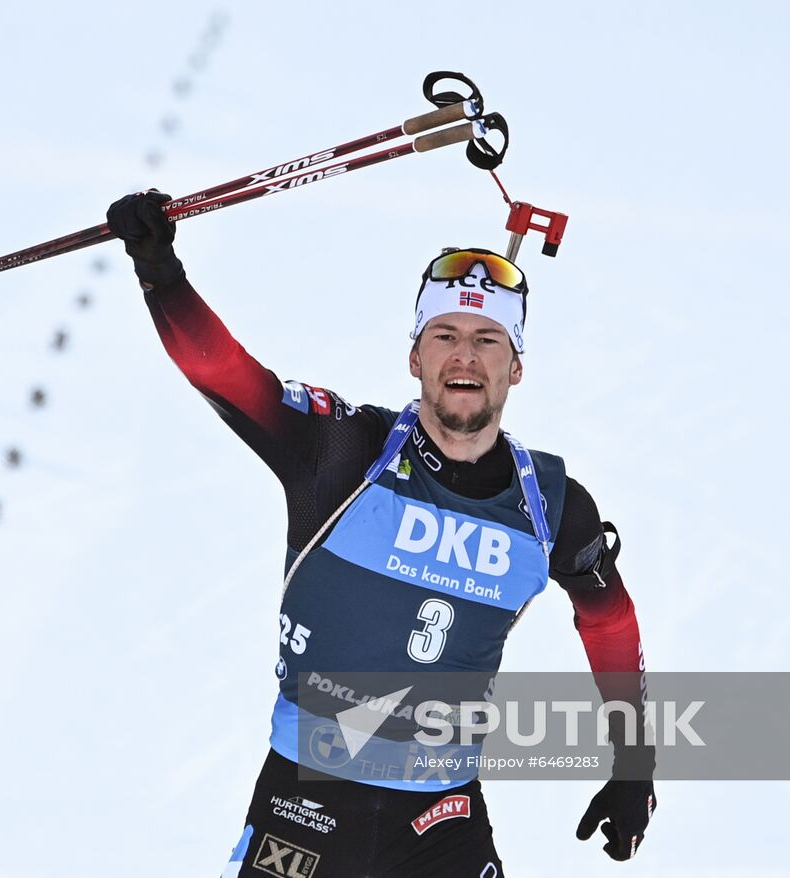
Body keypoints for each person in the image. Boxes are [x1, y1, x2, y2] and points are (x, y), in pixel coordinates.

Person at [107, 190, 656, 877]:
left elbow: (612, 622)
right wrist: (161, 270)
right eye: (445, 337)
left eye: (488, 340)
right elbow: (228, 378)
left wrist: (634, 764)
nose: (466, 357)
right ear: (415, 357)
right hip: (307, 798)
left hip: (440, 819)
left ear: (515, 366)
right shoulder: (342, 454)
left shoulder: (550, 505)